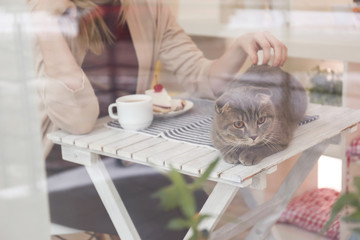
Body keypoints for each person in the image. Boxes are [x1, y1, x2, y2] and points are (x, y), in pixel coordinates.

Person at [28, 0, 288, 239]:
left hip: (121, 156)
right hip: (50, 169)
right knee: (162, 217)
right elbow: (78, 122)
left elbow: (200, 77)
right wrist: (46, 23)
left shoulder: (148, 7)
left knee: (194, 201)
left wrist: (239, 47)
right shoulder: (45, 10)